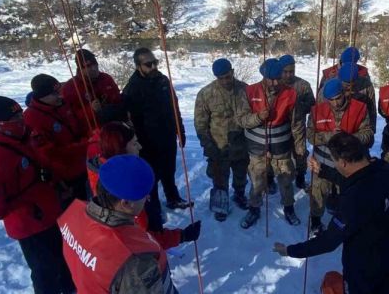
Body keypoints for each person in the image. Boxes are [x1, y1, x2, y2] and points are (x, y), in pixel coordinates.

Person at [273, 132, 389, 294]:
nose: (335, 165)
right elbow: (358, 181)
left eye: (334, 162)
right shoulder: (384, 169)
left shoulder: (354, 200)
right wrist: (324, 171)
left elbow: (329, 241)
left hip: (365, 271)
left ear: (344, 162)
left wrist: (290, 250)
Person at [59, 155, 199, 293]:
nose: (148, 198)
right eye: (143, 195)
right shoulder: (135, 261)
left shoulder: (75, 213)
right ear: (126, 203)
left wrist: (182, 235)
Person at [0, 96, 75, 294]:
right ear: (0, 123)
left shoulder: (24, 138)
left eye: (20, 114)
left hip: (48, 213)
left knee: (63, 259)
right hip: (29, 225)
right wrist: (25, 205)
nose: (21, 119)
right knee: (44, 271)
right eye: (15, 117)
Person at [86, 121, 190, 250]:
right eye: (134, 143)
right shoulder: (125, 187)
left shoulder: (100, 168)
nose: (140, 147)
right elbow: (145, 239)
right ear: (120, 148)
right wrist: (182, 236)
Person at [122, 47, 190, 231]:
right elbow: (126, 118)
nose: (153, 66)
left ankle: (173, 197)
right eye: (148, 64)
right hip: (147, 141)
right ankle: (154, 209)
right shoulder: (132, 88)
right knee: (152, 176)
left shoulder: (162, 80)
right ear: (138, 66)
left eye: (155, 62)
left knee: (169, 170)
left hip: (167, 135)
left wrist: (180, 130)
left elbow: (174, 106)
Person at [240, 58, 304, 228]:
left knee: (285, 181)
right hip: (256, 149)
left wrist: (299, 146)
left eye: (279, 78)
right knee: (257, 182)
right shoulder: (249, 92)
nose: (276, 83)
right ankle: (254, 209)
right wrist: (258, 117)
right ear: (263, 77)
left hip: (281, 149)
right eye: (272, 79)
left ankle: (289, 208)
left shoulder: (290, 94)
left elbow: (297, 124)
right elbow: (241, 120)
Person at [194, 58, 260, 221]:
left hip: (241, 145)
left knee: (240, 176)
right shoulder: (206, 93)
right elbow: (200, 124)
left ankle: (239, 195)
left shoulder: (245, 89)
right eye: (221, 78)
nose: (225, 80)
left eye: (227, 76)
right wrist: (208, 145)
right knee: (219, 178)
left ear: (232, 72)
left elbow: (252, 116)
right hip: (218, 146)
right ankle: (220, 204)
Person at [307, 78, 374, 235]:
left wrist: (349, 138)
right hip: (321, 163)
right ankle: (316, 221)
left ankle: (341, 222)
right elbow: (310, 135)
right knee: (318, 193)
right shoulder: (317, 111)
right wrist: (329, 136)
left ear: (344, 93)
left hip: (346, 166)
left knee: (345, 196)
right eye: (331, 100)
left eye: (338, 98)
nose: (336, 103)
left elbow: (368, 134)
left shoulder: (359, 108)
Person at [24, 73, 89, 204]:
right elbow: (50, 154)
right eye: (54, 94)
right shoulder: (32, 118)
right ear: (42, 96)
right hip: (64, 178)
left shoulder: (63, 104)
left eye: (59, 91)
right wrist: (84, 146)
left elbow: (79, 125)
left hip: (82, 166)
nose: (60, 96)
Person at [279, 54, 316, 189]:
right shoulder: (274, 84)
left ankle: (300, 176)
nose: (288, 75)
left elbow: (312, 104)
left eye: (291, 72)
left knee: (300, 152)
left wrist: (298, 105)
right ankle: (270, 177)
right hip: (278, 127)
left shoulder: (303, 85)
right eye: (285, 72)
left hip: (298, 127)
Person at [61, 48, 124, 126]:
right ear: (80, 69)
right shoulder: (70, 88)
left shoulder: (106, 78)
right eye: (88, 66)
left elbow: (118, 99)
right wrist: (90, 109)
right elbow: (69, 117)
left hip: (115, 122)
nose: (94, 69)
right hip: (91, 129)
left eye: (95, 64)